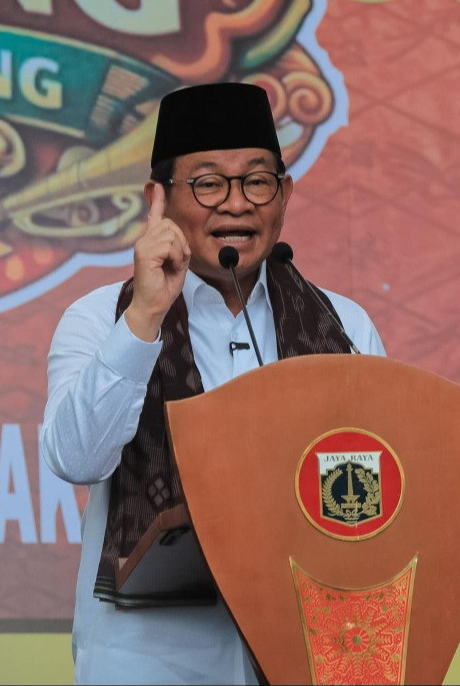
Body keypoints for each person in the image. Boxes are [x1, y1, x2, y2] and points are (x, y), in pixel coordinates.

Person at [42, 82, 385, 684]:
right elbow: (76, 458)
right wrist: (144, 318)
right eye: (207, 183)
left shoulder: (343, 326)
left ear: (284, 195)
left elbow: (375, 488)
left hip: (308, 650)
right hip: (151, 658)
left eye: (257, 181)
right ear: (158, 198)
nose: (236, 204)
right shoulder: (101, 319)